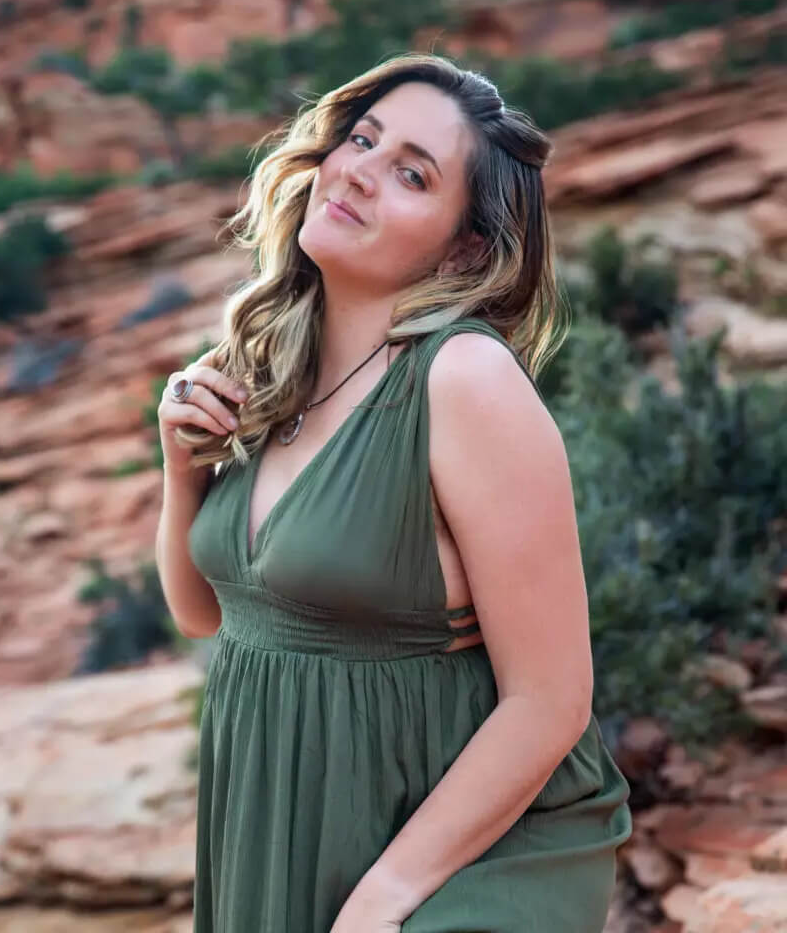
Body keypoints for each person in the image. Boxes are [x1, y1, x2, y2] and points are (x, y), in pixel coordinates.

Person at [156, 52, 632, 933]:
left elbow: (553, 696)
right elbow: (208, 618)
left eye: (411, 173)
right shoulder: (273, 375)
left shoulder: (462, 378)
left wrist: (380, 902)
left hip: (448, 861)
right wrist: (181, 470)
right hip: (278, 827)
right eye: (363, 140)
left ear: (466, 245)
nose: (361, 172)